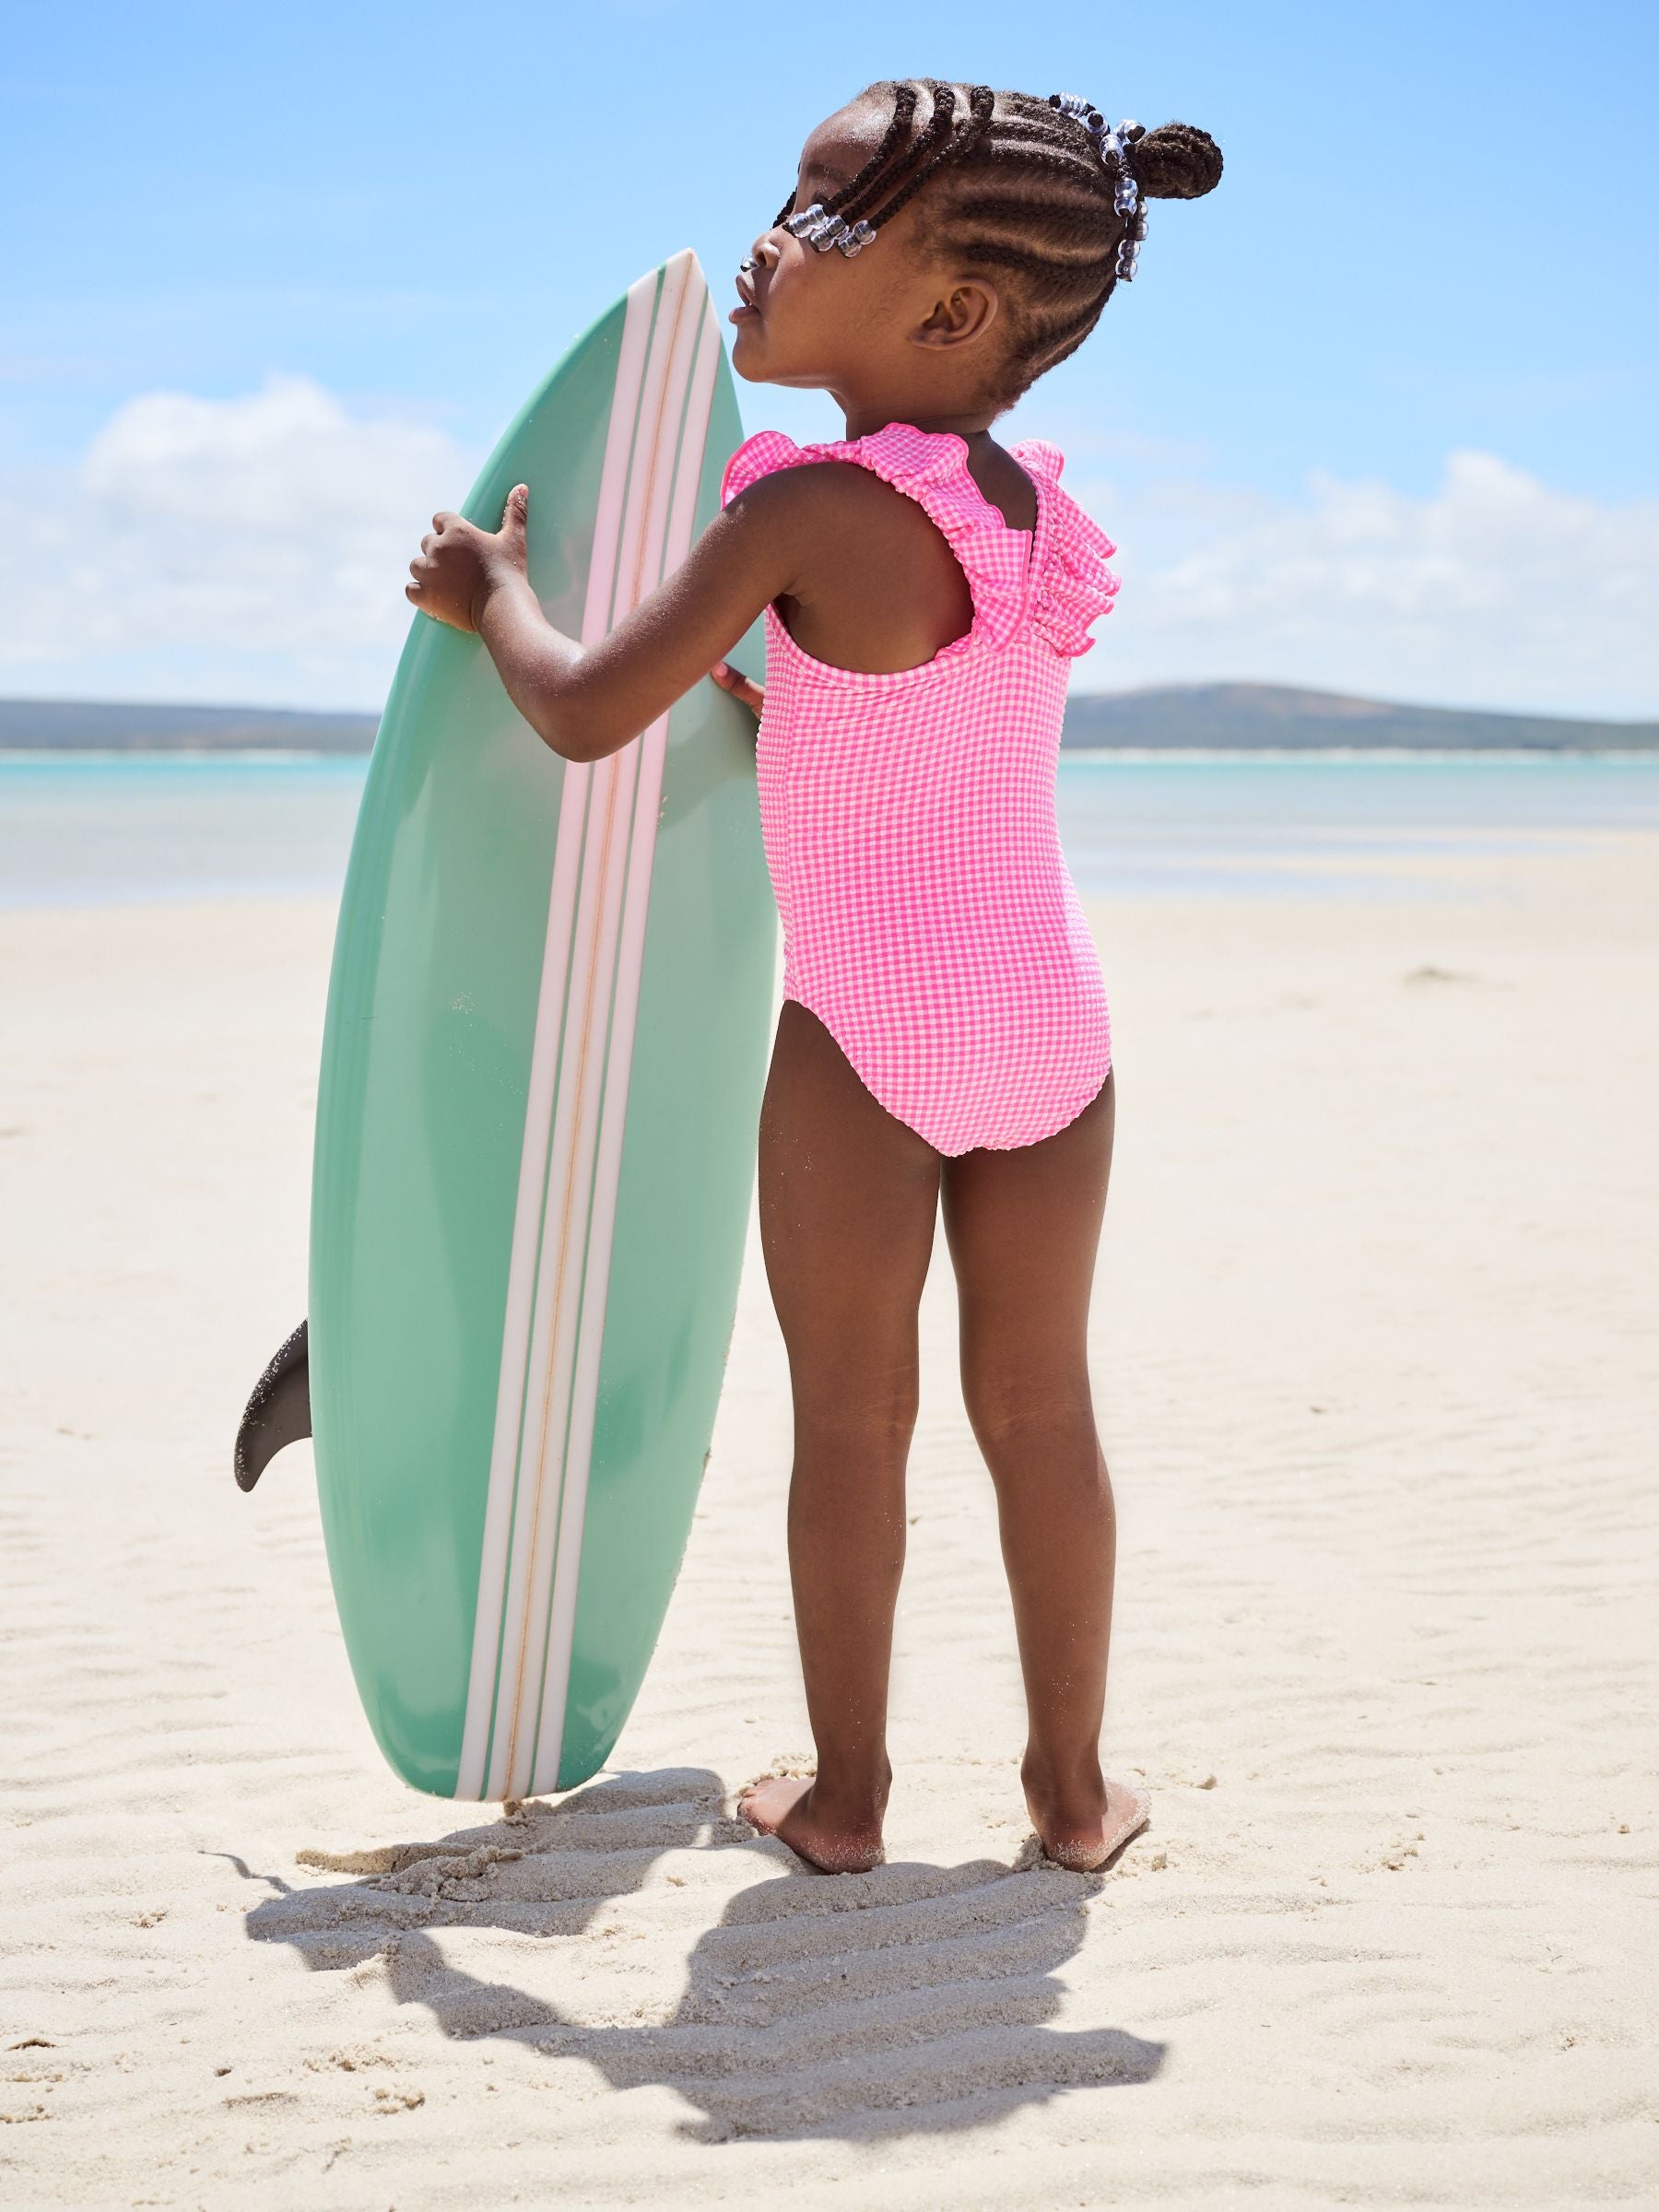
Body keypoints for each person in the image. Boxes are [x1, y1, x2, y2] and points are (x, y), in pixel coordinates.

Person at [404, 78, 1222, 1874]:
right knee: (1042, 1412)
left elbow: (581, 709)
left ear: (951, 311)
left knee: (853, 1420)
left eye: (827, 213)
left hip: (870, 1039)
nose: (773, 235)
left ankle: (847, 1806)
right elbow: (925, 723)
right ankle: (1077, 1801)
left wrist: (498, 598)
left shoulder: (816, 510)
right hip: (1056, 1035)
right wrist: (781, 714)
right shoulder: (1018, 507)